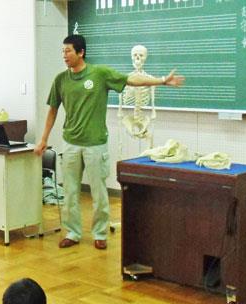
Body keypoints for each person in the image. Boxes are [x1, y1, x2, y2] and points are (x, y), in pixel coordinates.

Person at [34, 34, 184, 250]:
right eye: (63, 51)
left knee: (99, 192)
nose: (64, 55)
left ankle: (100, 234)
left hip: (96, 144)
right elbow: (52, 111)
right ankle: (73, 232)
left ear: (81, 52)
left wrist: (161, 81)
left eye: (68, 51)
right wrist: (43, 140)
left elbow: (131, 80)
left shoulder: (100, 74)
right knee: (70, 192)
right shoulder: (60, 80)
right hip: (71, 143)